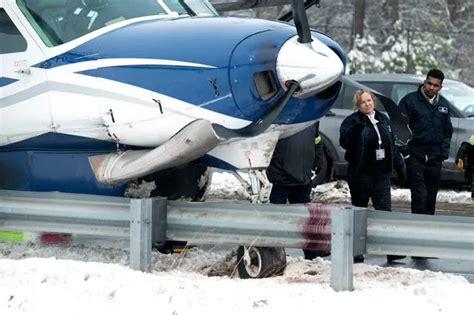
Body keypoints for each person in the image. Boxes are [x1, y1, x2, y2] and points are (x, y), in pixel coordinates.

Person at [339, 89, 405, 263]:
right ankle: (356, 251)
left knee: (385, 213)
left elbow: (392, 144)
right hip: (361, 175)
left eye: (369, 100)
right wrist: (355, 130)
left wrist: (399, 165)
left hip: (381, 174)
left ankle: (390, 250)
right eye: (363, 102)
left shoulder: (383, 119)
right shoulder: (352, 121)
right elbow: (344, 142)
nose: (367, 104)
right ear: (358, 105)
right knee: (359, 212)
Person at [267, 123, 329, 260]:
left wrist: (318, 163)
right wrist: (274, 170)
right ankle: (273, 253)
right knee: (277, 218)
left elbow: (317, 141)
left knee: (305, 218)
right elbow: (268, 145)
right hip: (281, 179)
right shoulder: (282, 118)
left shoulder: (311, 120)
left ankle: (311, 252)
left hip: (303, 177)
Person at [399, 69, 454, 217]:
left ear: (440, 87)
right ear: (424, 82)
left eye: (435, 85)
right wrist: (405, 152)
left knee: (431, 195)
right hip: (415, 155)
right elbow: (399, 128)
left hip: (435, 157)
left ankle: (429, 228)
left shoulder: (443, 104)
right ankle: (417, 227)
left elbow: (448, 131)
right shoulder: (409, 101)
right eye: (429, 83)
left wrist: (443, 153)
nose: (431, 87)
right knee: (419, 194)